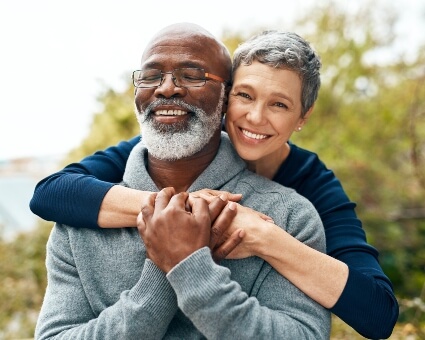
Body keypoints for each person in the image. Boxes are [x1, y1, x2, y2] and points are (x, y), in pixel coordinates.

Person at [30, 29, 398, 339]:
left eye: (280, 105)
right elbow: (51, 191)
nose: (255, 117)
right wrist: (176, 219)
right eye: (246, 95)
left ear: (303, 117)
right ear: (228, 101)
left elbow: (376, 313)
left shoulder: (304, 201)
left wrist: (265, 239)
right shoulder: (99, 199)